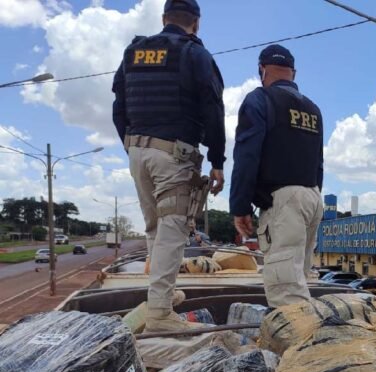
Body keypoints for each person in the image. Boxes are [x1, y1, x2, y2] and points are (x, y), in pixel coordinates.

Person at [112, 0, 225, 332]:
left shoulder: (133, 52)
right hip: (174, 154)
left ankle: (162, 294)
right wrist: (217, 161)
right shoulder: (195, 54)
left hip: (137, 150)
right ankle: (160, 314)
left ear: (164, 19)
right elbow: (213, 109)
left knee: (154, 228)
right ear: (196, 23)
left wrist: (132, 145)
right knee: (173, 230)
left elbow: (119, 107)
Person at [230, 44, 324, 307]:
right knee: (299, 280)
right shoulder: (313, 109)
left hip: (284, 202)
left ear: (262, 69)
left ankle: (298, 345)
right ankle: (307, 340)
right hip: (312, 197)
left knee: (286, 292)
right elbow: (319, 163)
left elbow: (247, 155)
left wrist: (240, 206)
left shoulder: (259, 99)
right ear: (293, 73)